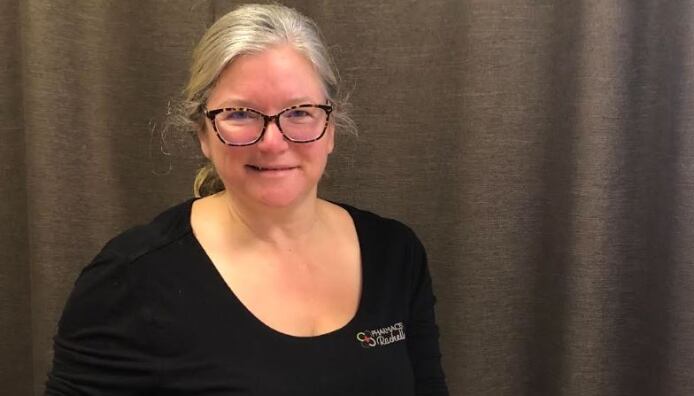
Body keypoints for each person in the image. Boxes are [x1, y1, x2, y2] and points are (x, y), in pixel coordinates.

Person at [45, 4, 448, 395]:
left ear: (331, 129)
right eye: (241, 114)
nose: (273, 142)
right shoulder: (130, 279)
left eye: (300, 111)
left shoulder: (395, 254)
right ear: (203, 132)